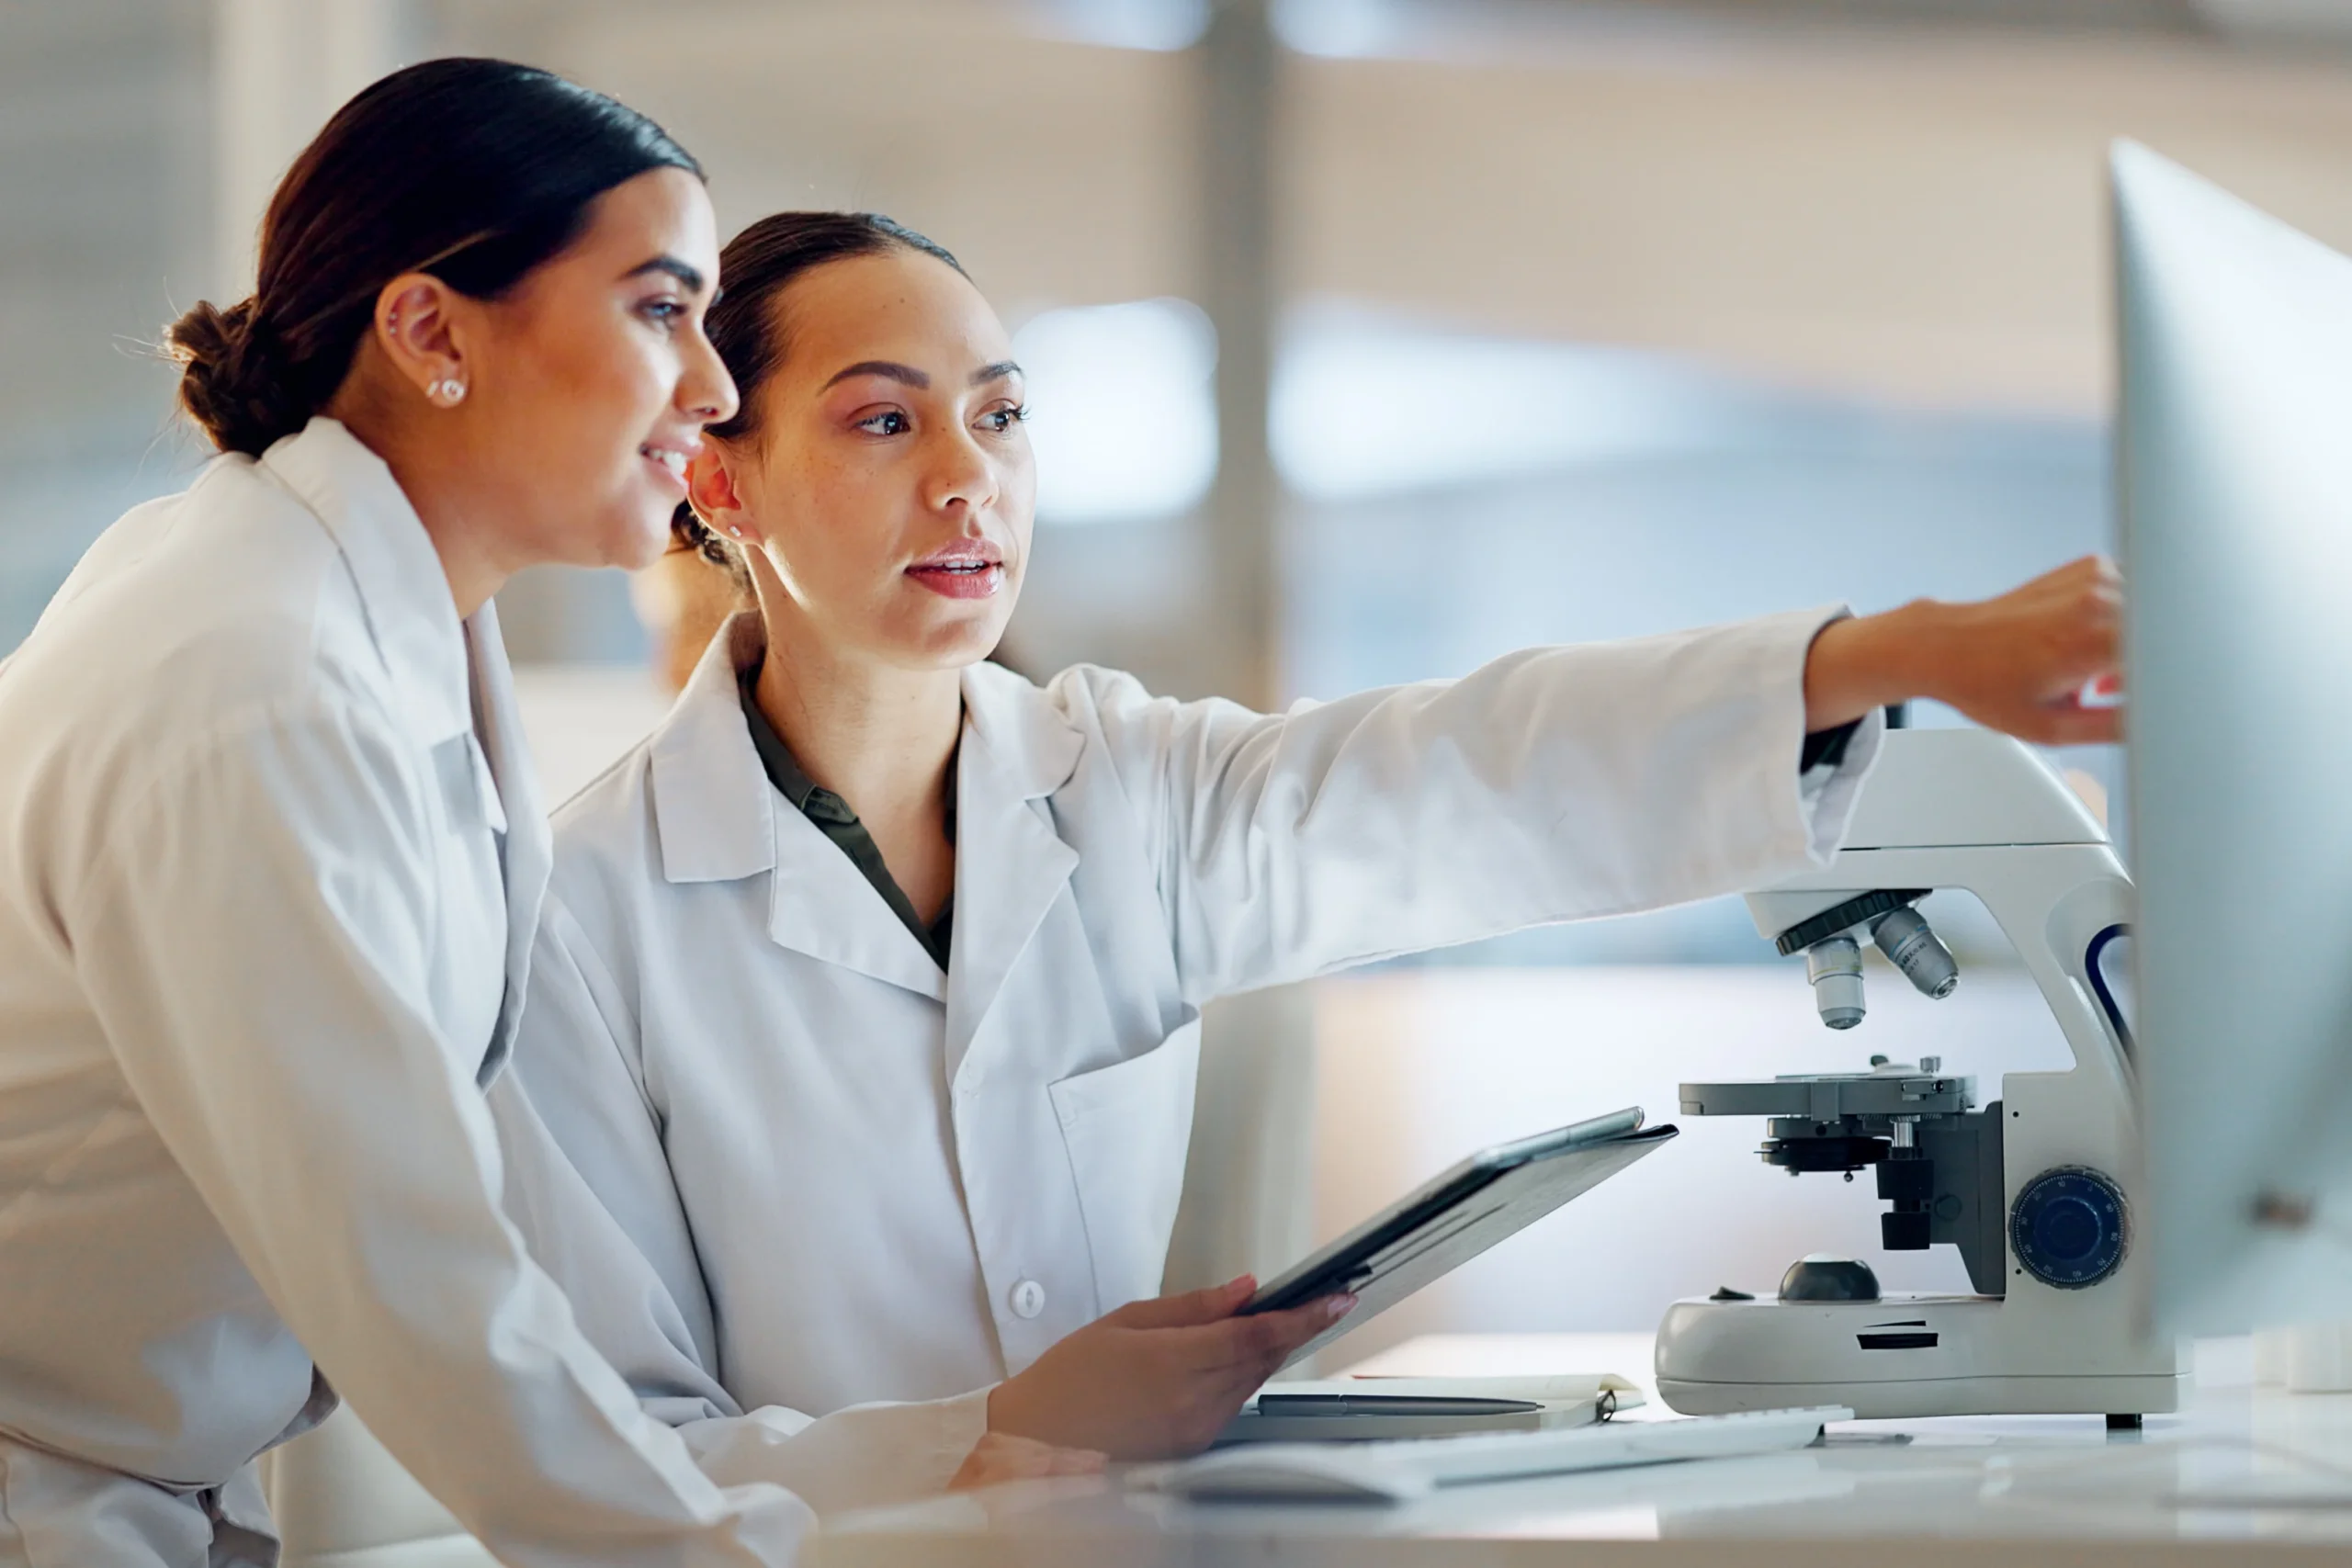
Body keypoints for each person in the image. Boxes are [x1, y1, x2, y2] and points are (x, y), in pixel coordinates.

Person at [492, 211, 2121, 1495]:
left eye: (1001, 414)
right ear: (721, 479)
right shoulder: (581, 917)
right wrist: (987, 1434)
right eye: (880, 418)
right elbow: (608, 1457)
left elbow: (1469, 773)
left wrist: (1889, 653)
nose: (967, 476)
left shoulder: (1128, 787)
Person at [0, 68, 1083, 1568]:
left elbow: (466, 1252)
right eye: (660, 310)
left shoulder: (380, 619)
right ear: (432, 332)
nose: (712, 388)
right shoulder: (256, 679)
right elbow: (415, 1276)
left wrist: (941, 1457)